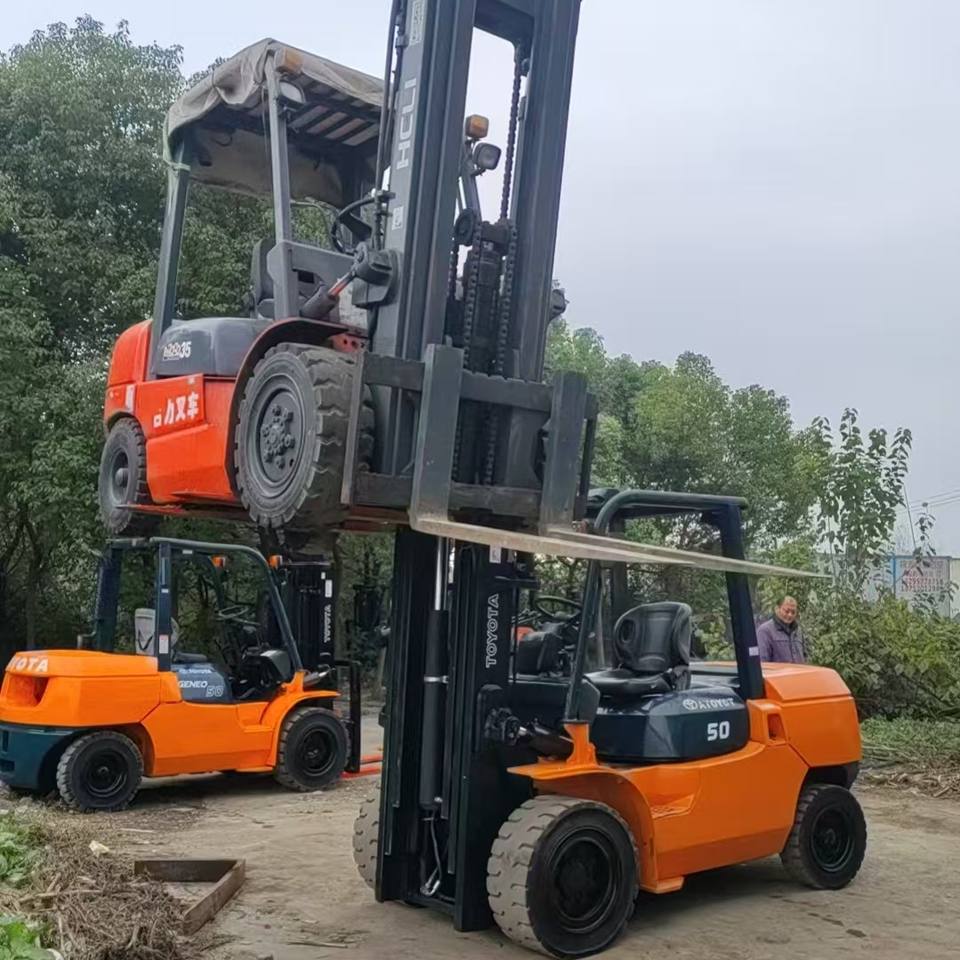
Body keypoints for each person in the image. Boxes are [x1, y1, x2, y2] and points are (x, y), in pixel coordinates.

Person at [756, 594, 808, 663]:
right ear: (777, 609)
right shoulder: (765, 631)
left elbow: (805, 657)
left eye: (793, 612)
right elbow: (762, 662)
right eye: (787, 611)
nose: (790, 615)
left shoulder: (798, 631)